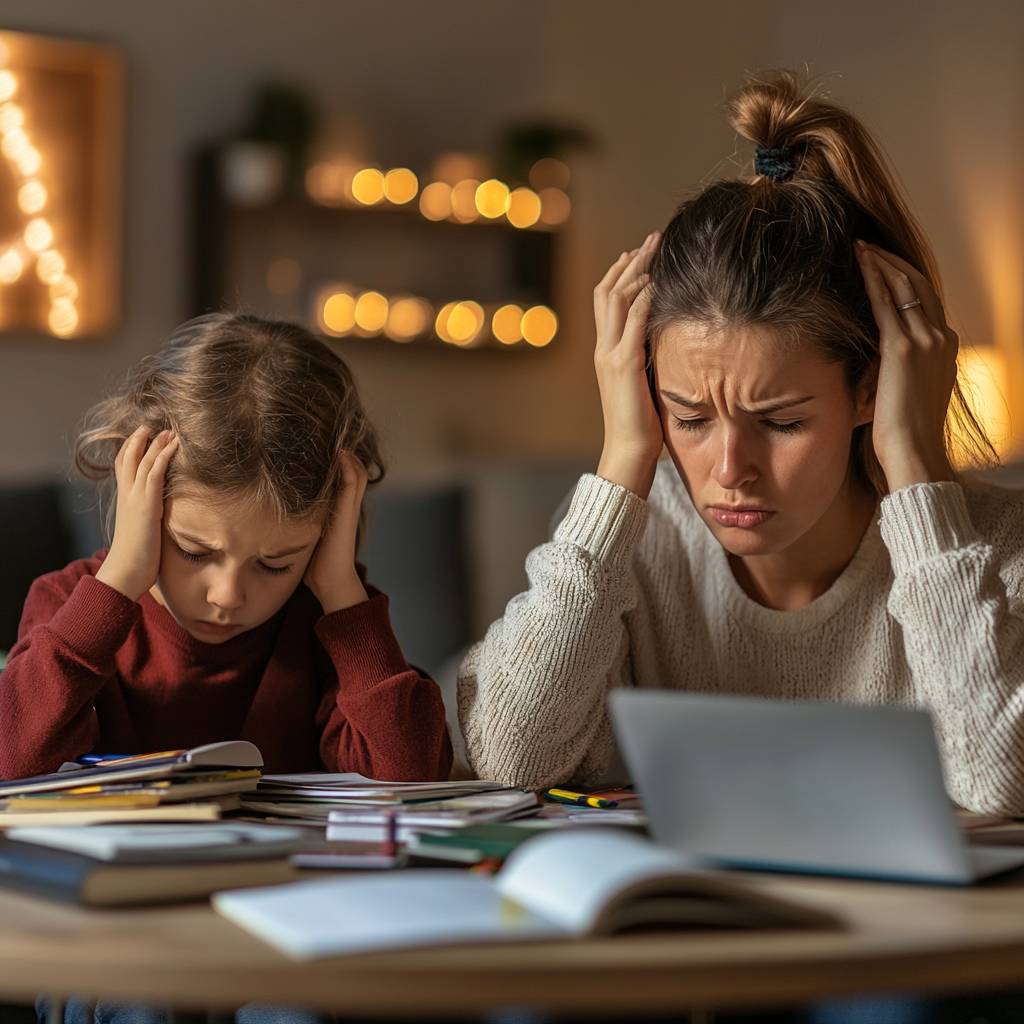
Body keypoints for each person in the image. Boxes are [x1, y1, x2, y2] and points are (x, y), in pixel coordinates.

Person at [457, 69, 1024, 820]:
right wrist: (625, 457)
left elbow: (1001, 783)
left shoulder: (995, 552)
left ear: (870, 388)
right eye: (689, 418)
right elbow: (508, 756)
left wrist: (915, 472)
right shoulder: (638, 537)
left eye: (782, 422)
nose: (729, 473)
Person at [0, 312, 452, 783]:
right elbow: (12, 764)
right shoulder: (66, 606)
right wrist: (120, 579)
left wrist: (341, 591)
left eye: (275, 564)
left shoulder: (325, 625)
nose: (227, 596)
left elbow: (412, 777)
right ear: (139, 497)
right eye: (194, 552)